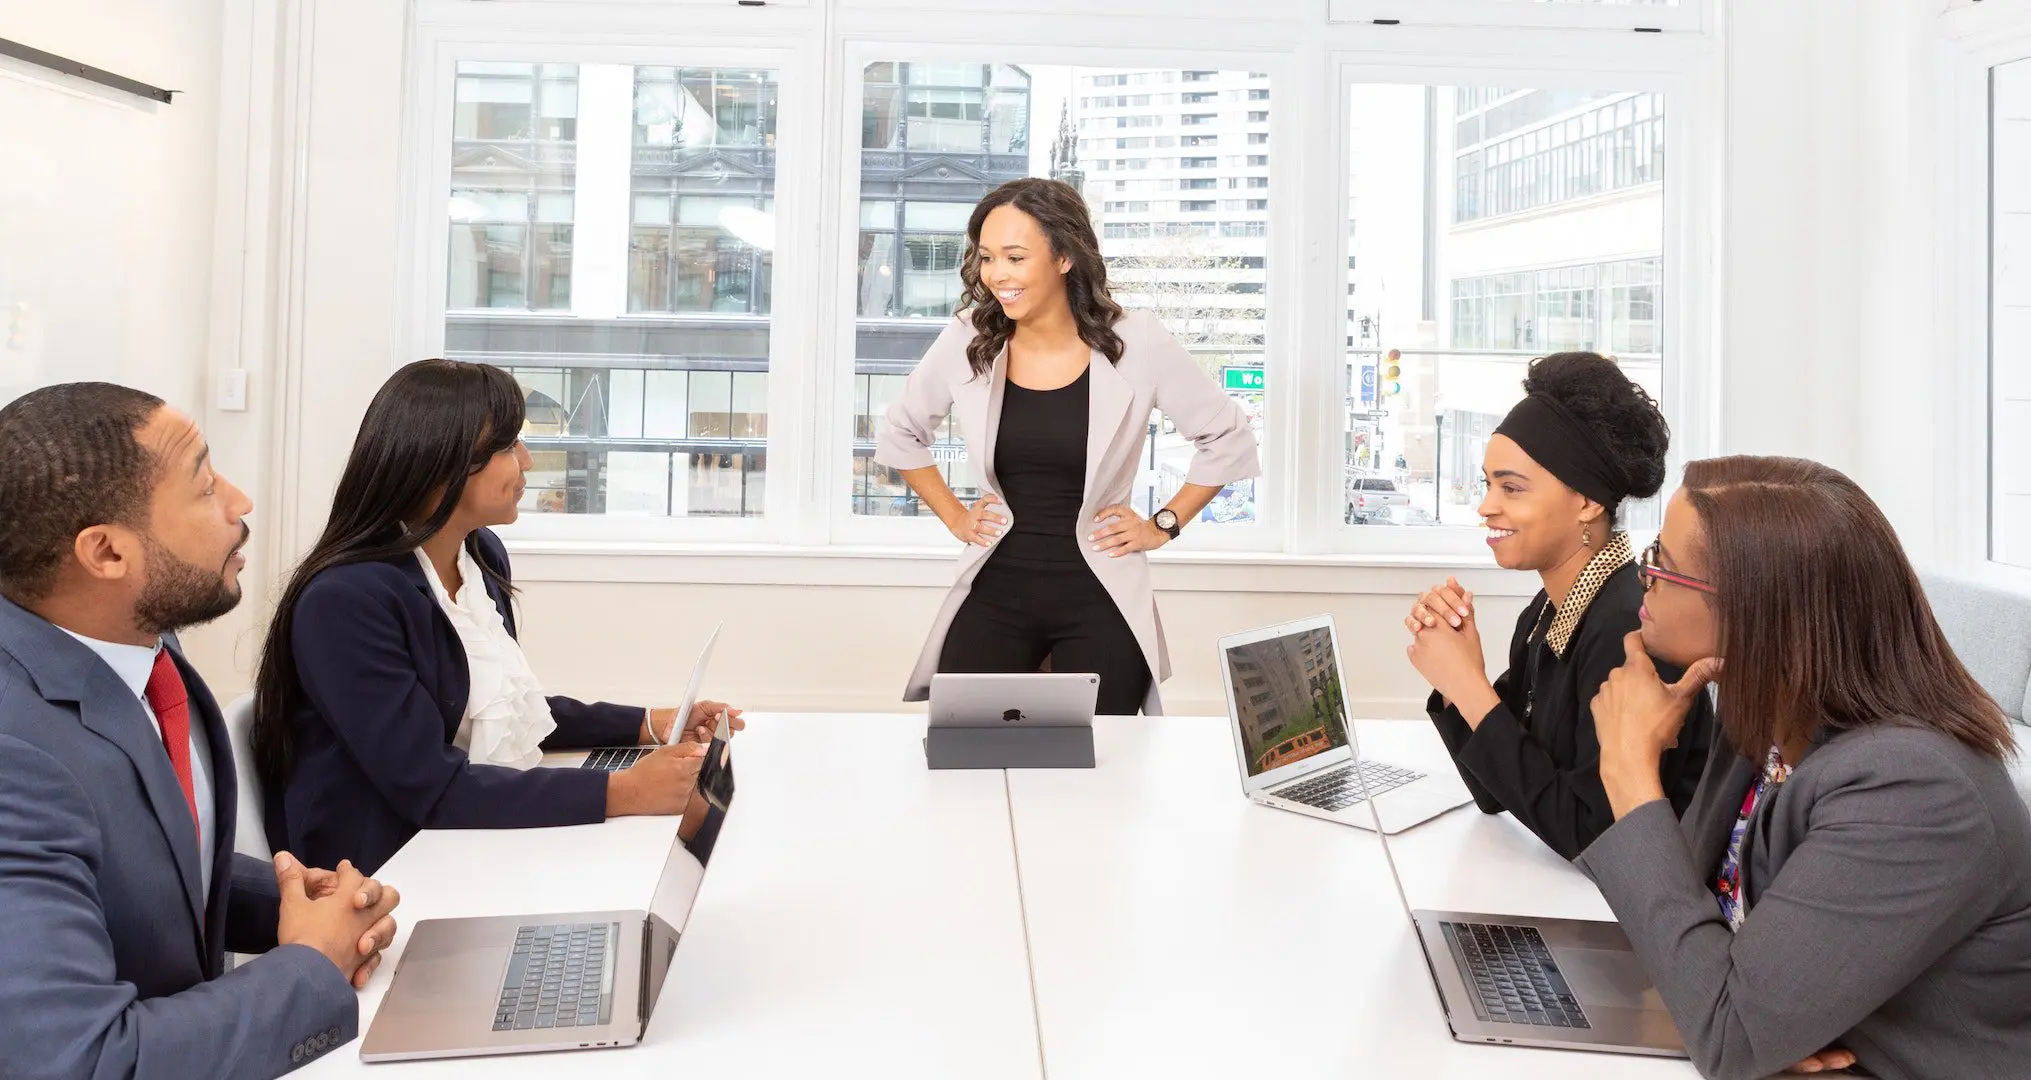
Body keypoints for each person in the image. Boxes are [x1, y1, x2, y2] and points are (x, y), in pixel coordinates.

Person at [1582, 456, 2031, 1080]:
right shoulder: (1761, 716)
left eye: (1665, 564)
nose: (1643, 577)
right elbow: (1689, 934)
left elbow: (1728, 1030)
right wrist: (1742, 1016)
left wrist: (1629, 772)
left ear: (1757, 612)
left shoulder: (1916, 791)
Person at [0, 383, 400, 1078]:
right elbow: (82, 1063)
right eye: (204, 485)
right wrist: (312, 965)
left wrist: (301, 904)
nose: (240, 502)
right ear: (107, 553)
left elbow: (138, 870)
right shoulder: (14, 755)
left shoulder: (140, 641)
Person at [253, 359, 741, 877]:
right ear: (439, 466)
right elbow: (428, 787)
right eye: (508, 446)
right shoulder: (345, 602)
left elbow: (504, 710)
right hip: (385, 869)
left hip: (459, 832)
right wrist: (623, 789)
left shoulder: (479, 555)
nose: (527, 461)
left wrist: (647, 723)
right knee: (664, 832)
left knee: (680, 828)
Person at [875, 177, 1260, 716]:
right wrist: (957, 519)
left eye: (1015, 256)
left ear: (1063, 257)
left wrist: (1162, 525)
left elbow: (1227, 436)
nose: (997, 275)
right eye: (987, 258)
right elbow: (900, 433)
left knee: (1104, 769)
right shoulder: (969, 337)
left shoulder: (1136, 340)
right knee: (966, 754)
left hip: (1100, 594)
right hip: (997, 589)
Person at [1404, 353, 1714, 859]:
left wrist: (1467, 685)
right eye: (1487, 484)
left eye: (1511, 487)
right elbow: (1497, 790)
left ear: (1587, 501)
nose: (1486, 505)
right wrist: (1457, 677)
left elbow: (1594, 839)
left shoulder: (1629, 628)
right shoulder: (1550, 611)